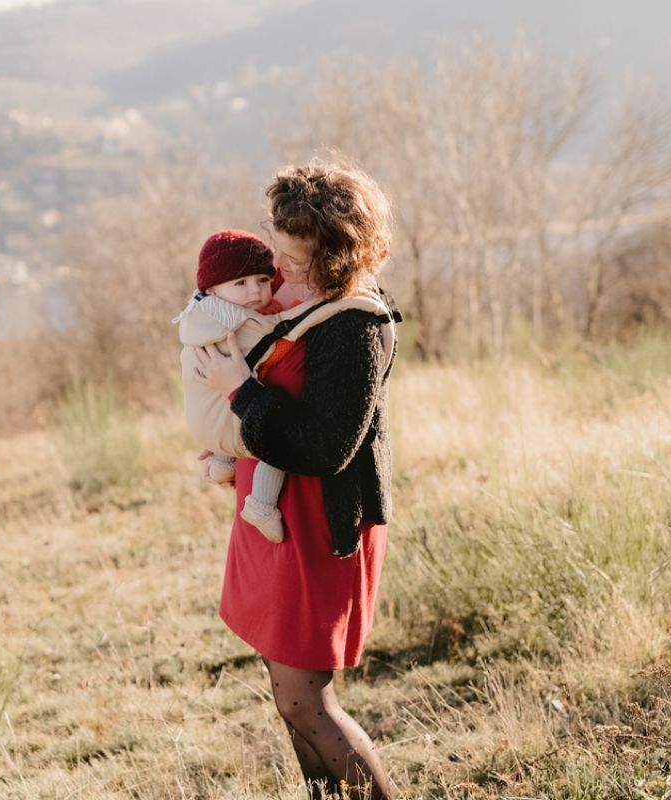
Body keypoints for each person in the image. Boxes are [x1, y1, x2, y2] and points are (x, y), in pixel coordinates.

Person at [192, 161, 398, 800]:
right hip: (273, 511)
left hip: (316, 520)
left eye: (297, 260)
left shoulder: (356, 327)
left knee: (308, 701)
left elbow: (327, 447)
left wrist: (240, 391)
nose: (281, 268)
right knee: (288, 699)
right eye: (277, 249)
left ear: (339, 257)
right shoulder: (281, 289)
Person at [177, 229, 289, 542]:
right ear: (212, 288)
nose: (256, 290)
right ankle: (262, 504)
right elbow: (284, 332)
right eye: (241, 283)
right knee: (277, 434)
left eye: (264, 280)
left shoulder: (202, 317)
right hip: (233, 428)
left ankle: (223, 458)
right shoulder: (237, 325)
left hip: (208, 427)